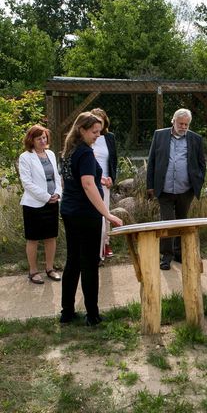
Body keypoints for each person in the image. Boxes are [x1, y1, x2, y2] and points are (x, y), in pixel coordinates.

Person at [60, 112, 123, 325]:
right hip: (86, 214)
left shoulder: (69, 151)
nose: (98, 135)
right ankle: (93, 315)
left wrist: (100, 178)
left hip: (69, 210)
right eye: (94, 131)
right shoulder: (86, 152)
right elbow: (87, 185)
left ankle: (67, 312)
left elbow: (73, 180)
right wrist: (106, 214)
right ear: (82, 130)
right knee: (89, 263)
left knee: (73, 262)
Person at [146, 108, 206, 270]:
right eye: (181, 123)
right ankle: (166, 256)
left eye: (186, 124)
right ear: (173, 121)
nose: (184, 127)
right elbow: (152, 161)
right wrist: (150, 185)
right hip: (164, 189)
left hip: (185, 190)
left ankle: (179, 253)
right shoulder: (160, 135)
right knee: (167, 223)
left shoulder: (195, 139)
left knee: (181, 221)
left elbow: (201, 164)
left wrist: (197, 183)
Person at [19, 125, 62, 285]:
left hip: (53, 202)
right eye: (39, 138)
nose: (43, 141)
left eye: (44, 137)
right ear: (32, 140)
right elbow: (27, 183)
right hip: (34, 205)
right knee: (33, 239)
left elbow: (56, 176)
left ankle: (50, 269)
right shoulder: (25, 157)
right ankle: (33, 271)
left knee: (51, 237)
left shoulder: (50, 154)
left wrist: (57, 193)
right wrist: (46, 196)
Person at [91, 108, 118, 260]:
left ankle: (105, 243)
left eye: (100, 121)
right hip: (92, 180)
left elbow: (114, 159)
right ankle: (96, 248)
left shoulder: (109, 137)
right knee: (96, 215)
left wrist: (112, 178)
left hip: (106, 182)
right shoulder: (87, 138)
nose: (98, 124)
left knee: (105, 214)